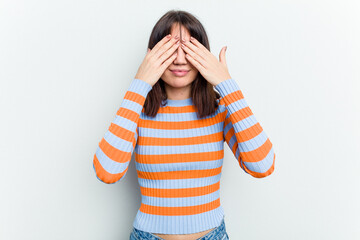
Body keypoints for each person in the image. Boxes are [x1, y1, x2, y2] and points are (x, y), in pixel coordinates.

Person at [92, 10, 276, 240]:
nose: (179, 60)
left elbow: (263, 164)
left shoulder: (219, 110)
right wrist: (140, 84)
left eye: (188, 49)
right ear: (153, 55)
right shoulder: (136, 111)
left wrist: (227, 84)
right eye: (170, 50)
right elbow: (106, 171)